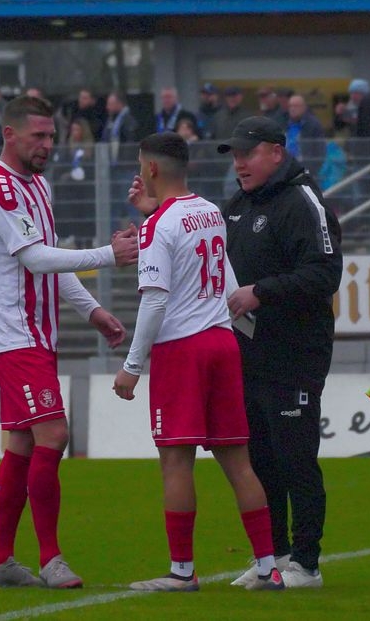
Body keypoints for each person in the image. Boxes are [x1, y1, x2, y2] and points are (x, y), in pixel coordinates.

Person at [0, 95, 138, 589]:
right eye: (38, 136)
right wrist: (108, 255)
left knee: (24, 440)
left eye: (51, 135)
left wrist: (92, 310)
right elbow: (35, 259)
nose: (47, 144)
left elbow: (49, 257)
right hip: (12, 332)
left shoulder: (37, 184)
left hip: (36, 332)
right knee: (54, 435)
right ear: (10, 135)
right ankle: (51, 559)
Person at [112, 132, 284, 592]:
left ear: (150, 169)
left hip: (182, 351)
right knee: (238, 463)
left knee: (175, 461)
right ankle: (268, 567)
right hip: (221, 342)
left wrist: (132, 365)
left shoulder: (158, 226)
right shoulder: (210, 211)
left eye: (141, 164)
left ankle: (182, 572)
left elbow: (154, 301)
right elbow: (224, 277)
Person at [218, 116, 342, 588]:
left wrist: (261, 292)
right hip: (249, 353)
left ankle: (307, 564)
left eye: (247, 154)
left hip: (296, 354)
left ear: (276, 152)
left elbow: (325, 273)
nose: (239, 164)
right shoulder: (237, 205)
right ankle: (272, 558)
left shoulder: (302, 201)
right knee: (260, 460)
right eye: (235, 155)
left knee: (295, 459)